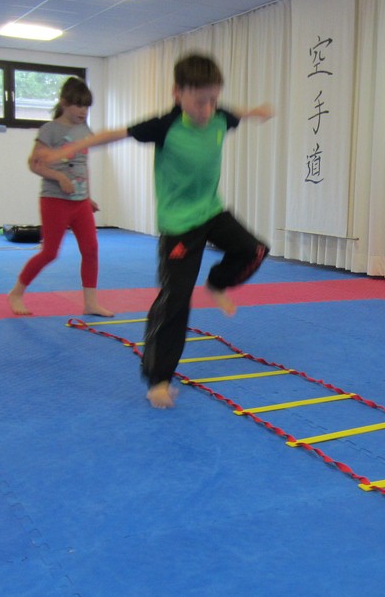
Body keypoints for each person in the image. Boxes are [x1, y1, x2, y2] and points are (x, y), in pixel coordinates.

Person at [31, 53, 273, 408]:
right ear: (177, 93)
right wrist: (68, 149)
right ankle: (158, 379)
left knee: (255, 250)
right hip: (179, 226)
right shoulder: (165, 125)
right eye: (199, 101)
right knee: (175, 301)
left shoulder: (221, 117)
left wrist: (255, 112)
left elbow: (236, 112)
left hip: (211, 211)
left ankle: (217, 283)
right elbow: (115, 134)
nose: (207, 109)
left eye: (213, 100)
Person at [8, 76, 114, 319]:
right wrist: (59, 177)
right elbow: (34, 164)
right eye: (78, 105)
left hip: (80, 202)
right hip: (54, 200)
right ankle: (16, 292)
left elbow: (83, 165)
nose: (83, 111)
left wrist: (88, 196)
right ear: (64, 103)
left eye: (86, 106)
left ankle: (90, 303)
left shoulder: (85, 130)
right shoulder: (50, 130)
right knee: (50, 253)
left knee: (91, 249)